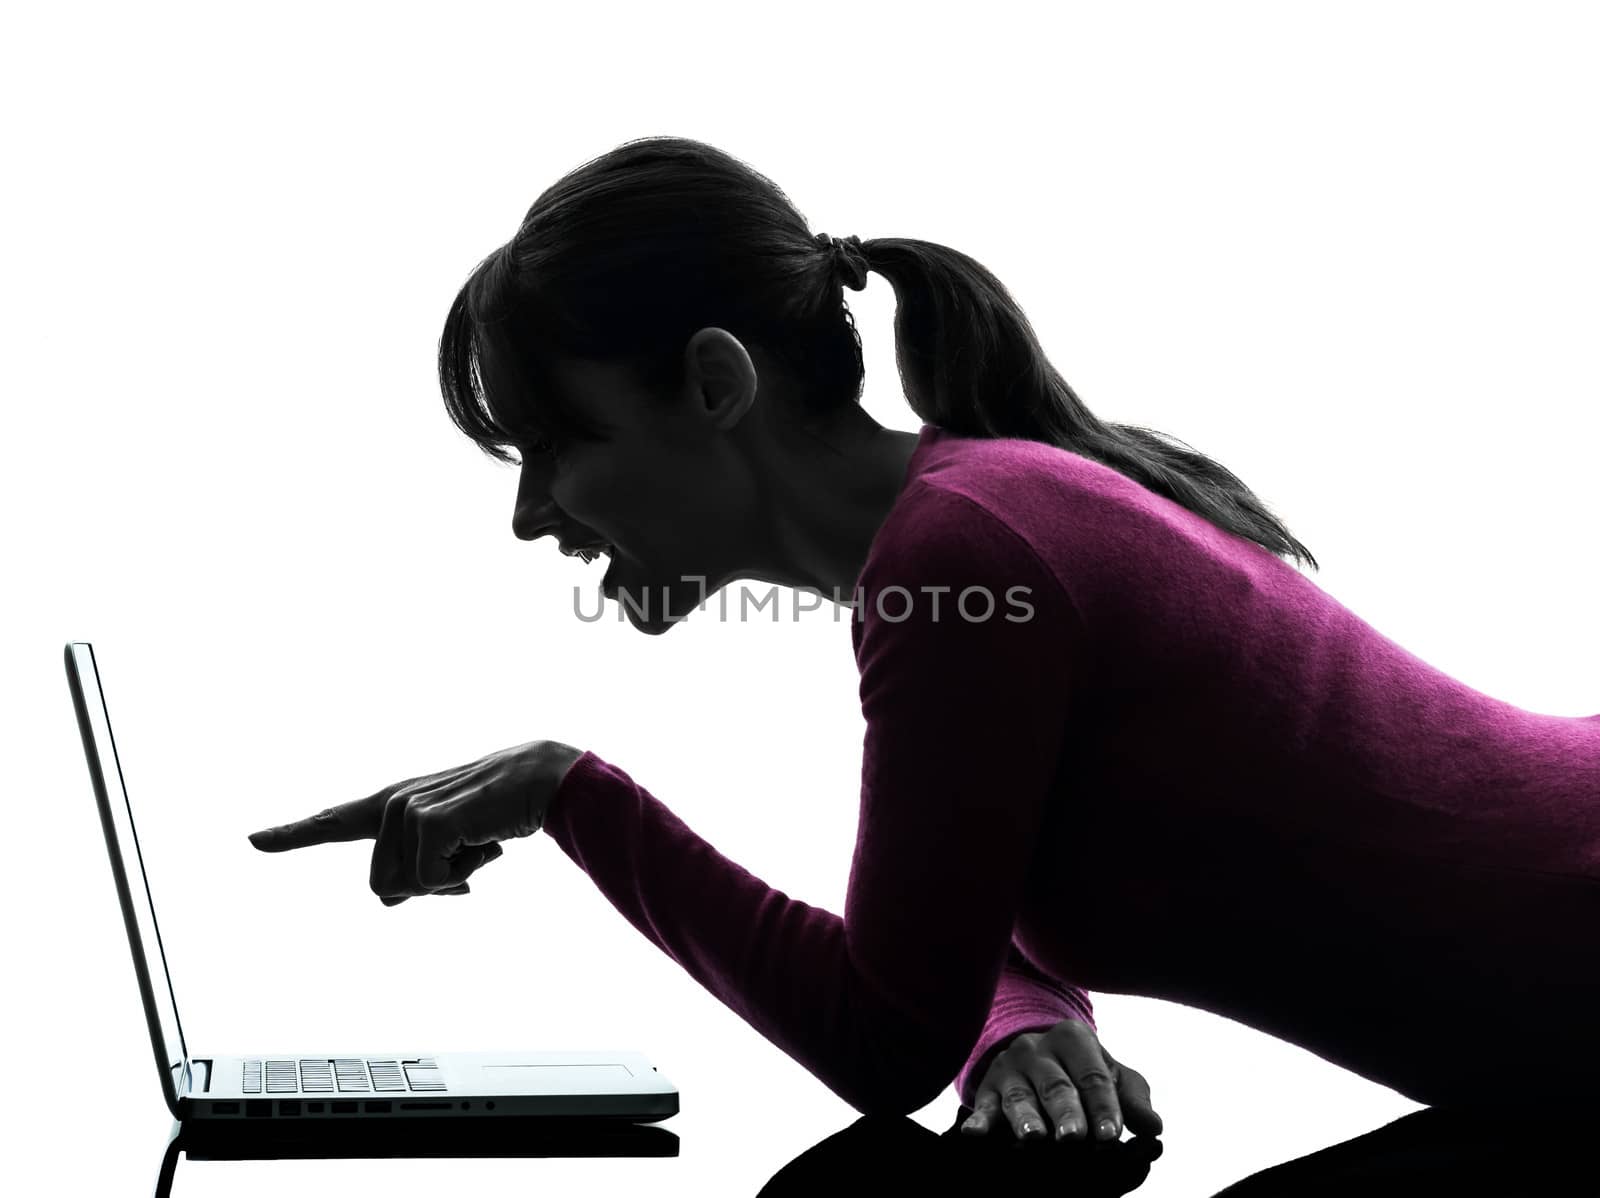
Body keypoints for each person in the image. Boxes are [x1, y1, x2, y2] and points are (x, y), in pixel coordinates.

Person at [247, 137, 1600, 1170]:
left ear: (717, 386)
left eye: (562, 445)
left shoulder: (961, 555)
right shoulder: (965, 532)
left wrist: (568, 790)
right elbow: (968, 910)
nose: (533, 511)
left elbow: (883, 1034)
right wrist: (1015, 1005)